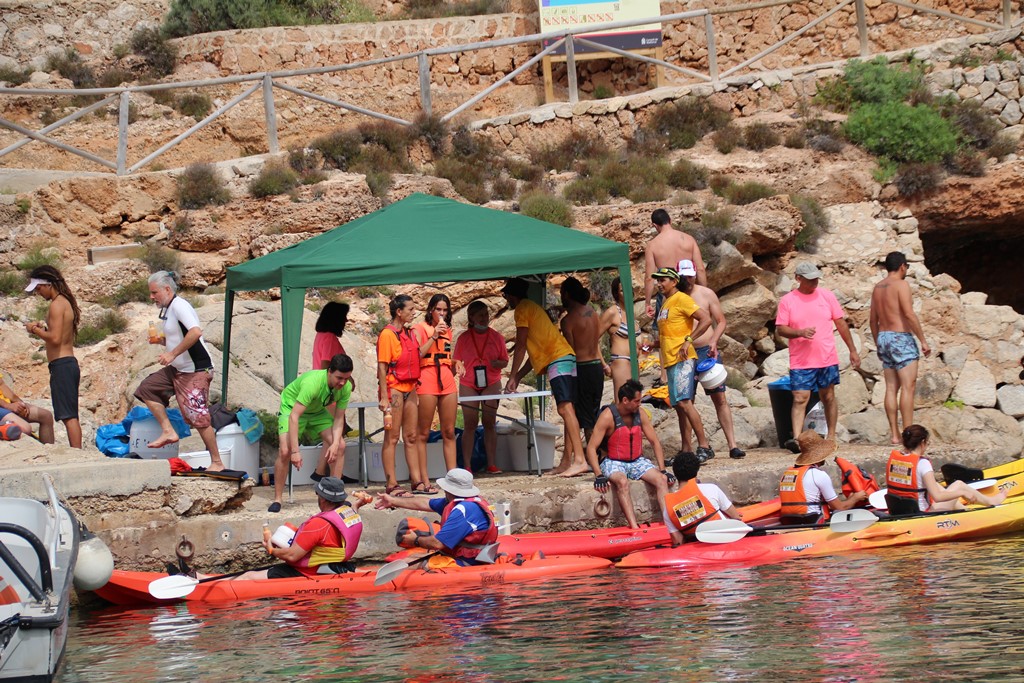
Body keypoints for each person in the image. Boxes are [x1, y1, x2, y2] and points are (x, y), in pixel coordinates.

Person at [133, 271, 223, 468]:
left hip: (195, 370)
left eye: (154, 292)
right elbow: (179, 335)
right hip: (177, 369)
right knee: (147, 388)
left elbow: (195, 332)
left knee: (198, 416)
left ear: (167, 289)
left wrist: (172, 354)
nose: (151, 297)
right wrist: (161, 341)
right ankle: (168, 431)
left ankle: (217, 462)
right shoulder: (169, 308)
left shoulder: (180, 306)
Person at [501, 278, 587, 477]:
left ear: (513, 295)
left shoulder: (522, 309)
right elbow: (534, 356)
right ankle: (567, 462)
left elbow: (521, 346)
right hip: (566, 357)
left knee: (565, 409)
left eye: (506, 295)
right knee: (569, 410)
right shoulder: (533, 308)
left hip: (558, 359)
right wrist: (518, 377)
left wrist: (511, 376)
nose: (506, 299)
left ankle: (580, 460)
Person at [775, 262, 860, 451]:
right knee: (800, 397)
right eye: (810, 279)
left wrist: (852, 350)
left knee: (828, 396)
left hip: (826, 357)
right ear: (798, 278)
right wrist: (799, 332)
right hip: (801, 360)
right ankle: (797, 439)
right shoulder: (788, 301)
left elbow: (841, 323)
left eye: (816, 278)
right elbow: (781, 329)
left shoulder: (827, 296)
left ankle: (831, 435)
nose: (814, 282)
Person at [214, 477, 370, 581]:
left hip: (309, 572)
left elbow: (292, 556)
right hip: (334, 566)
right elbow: (353, 509)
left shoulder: (317, 525)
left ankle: (215, 585)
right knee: (252, 573)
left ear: (322, 497)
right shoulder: (349, 513)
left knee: (248, 576)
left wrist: (271, 550)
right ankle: (207, 579)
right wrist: (358, 503)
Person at [676, 259, 745, 460]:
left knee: (719, 397)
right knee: (686, 401)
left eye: (691, 276)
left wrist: (714, 341)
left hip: (706, 351)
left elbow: (721, 321)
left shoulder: (706, 294)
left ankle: (733, 445)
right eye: (684, 276)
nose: (688, 280)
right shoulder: (674, 297)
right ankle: (688, 448)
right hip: (684, 353)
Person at [268, 354, 354, 513]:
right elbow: (294, 417)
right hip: (292, 409)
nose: (342, 382)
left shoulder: (346, 387)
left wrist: (335, 444)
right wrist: (295, 452)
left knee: (341, 446)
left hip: (317, 412)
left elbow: (338, 418)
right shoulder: (312, 383)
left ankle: (335, 497)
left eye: (346, 378)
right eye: (339, 378)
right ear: (329, 371)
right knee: (285, 451)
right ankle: (277, 499)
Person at [588, 380, 670, 530]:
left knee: (662, 479)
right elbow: (591, 448)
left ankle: (669, 524)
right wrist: (598, 475)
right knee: (622, 482)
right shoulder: (607, 416)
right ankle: (634, 527)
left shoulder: (641, 414)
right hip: (614, 461)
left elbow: (655, 442)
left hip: (637, 461)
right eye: (636, 401)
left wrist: (663, 469)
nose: (640, 404)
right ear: (625, 400)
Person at [870, 252, 932, 446]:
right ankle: (909, 435)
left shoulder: (878, 287)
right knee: (908, 387)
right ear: (902, 266)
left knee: (891, 387)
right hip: (900, 337)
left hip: (883, 337)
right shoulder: (901, 285)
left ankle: (895, 435)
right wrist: (923, 340)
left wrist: (878, 341)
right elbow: (908, 314)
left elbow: (873, 320)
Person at [653, 267, 714, 462]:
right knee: (679, 406)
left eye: (663, 280)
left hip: (684, 358)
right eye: (657, 280)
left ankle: (704, 446)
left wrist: (689, 340)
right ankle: (686, 450)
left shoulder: (682, 299)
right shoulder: (665, 303)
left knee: (685, 403)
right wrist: (652, 345)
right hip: (671, 359)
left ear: (674, 282)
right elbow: (670, 332)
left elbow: (706, 319)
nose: (659, 284)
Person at [376, 468, 497, 567]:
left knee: (409, 564)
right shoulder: (459, 501)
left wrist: (415, 540)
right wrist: (392, 501)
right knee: (412, 558)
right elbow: (424, 503)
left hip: (469, 562)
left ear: (447, 489)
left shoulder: (463, 510)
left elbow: (437, 543)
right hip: (461, 555)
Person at [644, 208, 706, 387]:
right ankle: (697, 367)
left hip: (669, 293)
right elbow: (700, 268)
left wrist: (647, 302)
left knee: (665, 332)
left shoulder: (653, 245)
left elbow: (649, 277)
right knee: (694, 326)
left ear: (655, 225)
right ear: (670, 220)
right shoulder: (688, 239)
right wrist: (703, 291)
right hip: (689, 288)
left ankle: (665, 377)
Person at [886, 424, 1005, 513]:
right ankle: (991, 501)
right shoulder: (922, 464)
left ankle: (965, 511)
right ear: (923, 442)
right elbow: (938, 497)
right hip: (924, 514)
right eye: (927, 443)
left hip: (901, 511)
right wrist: (963, 492)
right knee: (959, 485)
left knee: (936, 485)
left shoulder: (896, 460)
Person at [24, 266, 81, 448]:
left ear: (48, 284)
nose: (38, 293)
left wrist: (34, 329)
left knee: (69, 416)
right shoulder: (64, 302)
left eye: (39, 288)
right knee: (69, 414)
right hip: (66, 364)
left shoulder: (56, 304)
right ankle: (78, 453)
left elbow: (55, 339)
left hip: (62, 364)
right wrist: (44, 329)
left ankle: (78, 454)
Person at [452, 301, 508, 474]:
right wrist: (458, 364)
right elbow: (456, 359)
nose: (484, 318)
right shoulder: (464, 338)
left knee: (489, 422)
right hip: (469, 382)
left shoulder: (497, 337)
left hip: (491, 382)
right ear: (471, 318)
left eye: (486, 315)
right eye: (480, 315)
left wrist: (497, 363)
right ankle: (467, 465)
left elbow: (505, 361)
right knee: (470, 424)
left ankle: (491, 464)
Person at [377, 294, 421, 498]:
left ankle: (416, 481)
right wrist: (384, 397)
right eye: (410, 309)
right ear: (399, 312)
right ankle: (391, 483)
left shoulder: (409, 333)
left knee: (411, 436)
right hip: (394, 388)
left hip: (410, 387)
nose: (413, 312)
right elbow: (382, 367)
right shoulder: (388, 335)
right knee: (392, 437)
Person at [413, 294, 461, 484]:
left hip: (446, 379)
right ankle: (424, 479)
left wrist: (456, 362)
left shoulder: (448, 330)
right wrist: (433, 335)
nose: (441, 313)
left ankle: (454, 477)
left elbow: (445, 356)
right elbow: (417, 354)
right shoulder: (420, 328)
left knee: (449, 431)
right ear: (431, 310)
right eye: (438, 309)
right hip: (427, 378)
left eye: (445, 310)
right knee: (423, 432)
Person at [779, 430, 867, 525]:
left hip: (789, 522)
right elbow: (840, 507)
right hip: (813, 521)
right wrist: (856, 497)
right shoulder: (819, 475)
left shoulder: (787, 473)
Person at [559, 277, 607, 441]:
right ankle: (596, 451)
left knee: (585, 420)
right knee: (593, 414)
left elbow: (570, 351)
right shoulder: (592, 313)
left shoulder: (567, 321)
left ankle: (591, 453)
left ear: (566, 294)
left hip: (582, 368)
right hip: (596, 367)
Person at [663, 451, 742, 546]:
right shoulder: (711, 489)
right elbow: (736, 518)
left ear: (675, 473)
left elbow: (678, 542)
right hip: (723, 542)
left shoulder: (667, 509)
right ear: (696, 471)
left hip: (696, 548)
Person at [599, 277, 639, 398]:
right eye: (622, 290)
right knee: (624, 401)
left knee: (635, 401)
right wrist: (604, 365)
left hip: (635, 362)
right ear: (616, 293)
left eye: (628, 289)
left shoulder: (631, 312)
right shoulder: (612, 312)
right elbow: (593, 339)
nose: (626, 293)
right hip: (621, 360)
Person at [0, 372, 55, 443]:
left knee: (46, 416)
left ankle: (49, 448)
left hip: (5, 404)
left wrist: (20, 403)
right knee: (25, 429)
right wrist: (7, 405)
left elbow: (1, 385)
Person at [312, 302, 350, 370]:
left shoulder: (321, 334)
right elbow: (325, 366)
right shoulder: (329, 338)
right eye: (344, 316)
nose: (346, 320)